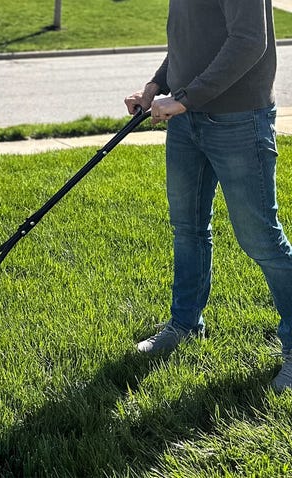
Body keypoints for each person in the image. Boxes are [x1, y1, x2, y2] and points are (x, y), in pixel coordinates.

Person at [124, 0, 292, 392]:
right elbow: (191, 40)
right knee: (188, 228)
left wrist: (184, 98)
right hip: (187, 118)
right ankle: (184, 326)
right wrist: (155, 86)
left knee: (262, 239)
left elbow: (250, 41)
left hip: (236, 120)